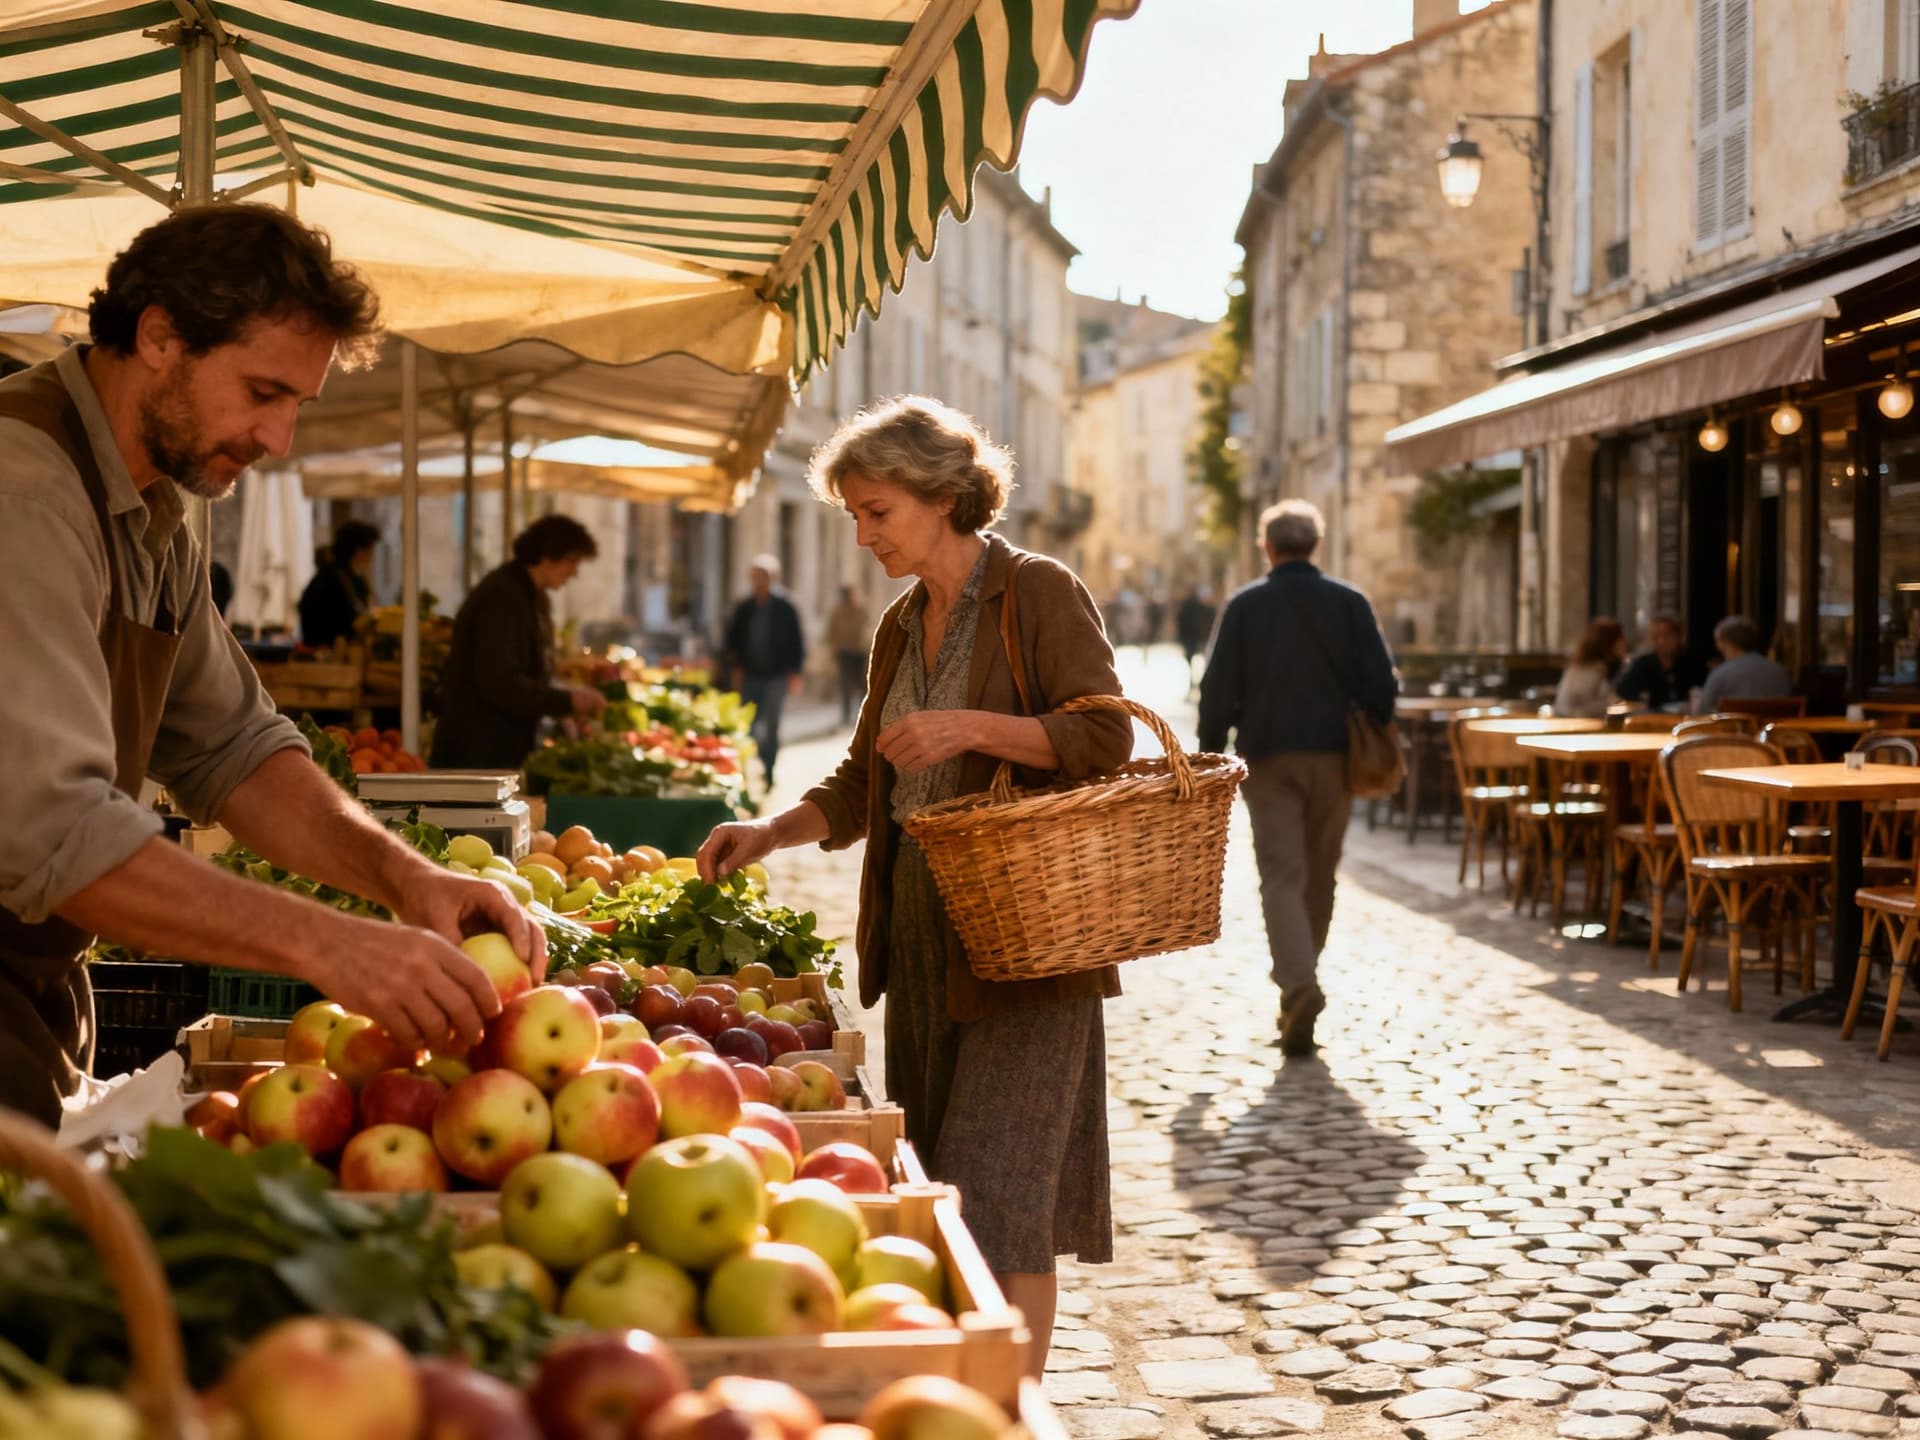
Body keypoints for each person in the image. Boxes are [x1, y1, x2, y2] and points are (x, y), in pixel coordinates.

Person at [0, 204, 542, 1125]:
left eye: (297, 402)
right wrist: (332, 945)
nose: (280, 439)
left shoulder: (151, 505)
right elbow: (53, 832)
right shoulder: (27, 492)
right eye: (262, 392)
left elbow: (236, 748)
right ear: (160, 336)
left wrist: (407, 880)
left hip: (37, 990)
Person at [695, 396, 1130, 1379]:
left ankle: (1005, 1409)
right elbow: (863, 780)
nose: (865, 534)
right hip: (924, 944)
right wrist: (772, 830)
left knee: (1002, 1202)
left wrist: (972, 726)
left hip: (1026, 940)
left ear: (942, 495)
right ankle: (963, 1394)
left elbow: (1106, 738)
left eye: (877, 510)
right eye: (853, 515)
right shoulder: (899, 625)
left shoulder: (1038, 593)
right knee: (940, 1193)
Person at [1198, 499, 1398, 1057]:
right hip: (1335, 757)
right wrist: (1367, 723)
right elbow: (1382, 683)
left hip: (1267, 760)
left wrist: (1211, 753)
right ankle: (1301, 977)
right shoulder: (1350, 602)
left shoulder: (1245, 606)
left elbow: (1217, 689)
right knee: (1321, 874)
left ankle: (1297, 983)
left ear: (1268, 546)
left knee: (1281, 875)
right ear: (1315, 545)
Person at [431, 514, 605, 769]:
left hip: (503, 745)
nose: (574, 572)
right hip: (477, 750)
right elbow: (499, 679)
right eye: (572, 561)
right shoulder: (503, 596)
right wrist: (565, 701)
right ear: (548, 555)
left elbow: (533, 669)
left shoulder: (532, 596)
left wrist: (562, 707)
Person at [723, 555, 806, 787]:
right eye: (756, 576)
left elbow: (796, 641)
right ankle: (748, 769)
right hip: (750, 675)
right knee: (749, 725)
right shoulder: (744, 607)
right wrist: (735, 668)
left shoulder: (785, 607)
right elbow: (733, 640)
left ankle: (769, 769)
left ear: (773, 579)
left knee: (771, 726)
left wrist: (795, 672)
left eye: (764, 576)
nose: (760, 581)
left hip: (776, 676)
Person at [297, 518, 379, 649]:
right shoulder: (334, 578)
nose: (371, 555)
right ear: (358, 551)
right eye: (369, 550)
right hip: (329, 654)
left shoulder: (346, 576)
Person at [1696, 614, 1793, 713]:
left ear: (1724, 643)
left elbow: (1702, 714)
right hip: (1776, 728)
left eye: (1718, 641)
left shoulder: (1721, 674)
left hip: (1736, 728)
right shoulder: (1780, 672)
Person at [1613, 614, 1706, 712]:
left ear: (1679, 637)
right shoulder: (1642, 665)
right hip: (1654, 721)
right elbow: (1624, 693)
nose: (1661, 641)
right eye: (1655, 636)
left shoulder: (1694, 663)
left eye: (1667, 635)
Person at [1553, 617, 1626, 718]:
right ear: (1610, 642)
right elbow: (1576, 709)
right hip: (1572, 724)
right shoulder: (1589, 669)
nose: (1624, 643)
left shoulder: (1596, 667)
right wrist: (1613, 703)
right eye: (1620, 638)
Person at [825, 583, 870, 725]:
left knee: (862, 684)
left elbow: (867, 628)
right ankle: (846, 715)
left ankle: (862, 713)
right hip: (844, 652)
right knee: (846, 685)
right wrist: (833, 649)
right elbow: (831, 632)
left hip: (860, 652)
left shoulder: (861, 610)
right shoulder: (837, 612)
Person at [1177, 585, 1218, 696]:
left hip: (1197, 639)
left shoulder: (1202, 608)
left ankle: (1199, 684)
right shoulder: (1194, 607)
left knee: (1202, 662)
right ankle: (1196, 684)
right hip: (1194, 639)